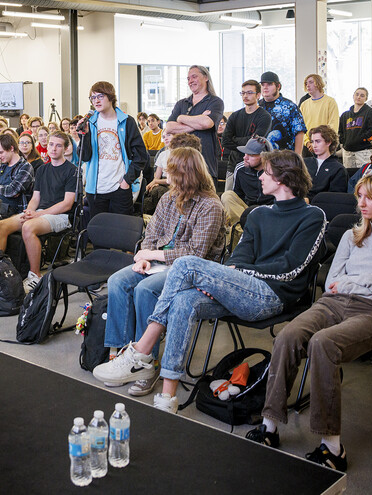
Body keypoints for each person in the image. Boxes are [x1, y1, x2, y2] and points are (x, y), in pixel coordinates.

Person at [93, 150, 325, 414]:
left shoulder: (313, 216)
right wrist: (226, 278)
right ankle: (167, 397)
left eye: (266, 172)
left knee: (185, 263)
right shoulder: (258, 214)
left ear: (284, 178)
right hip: (239, 288)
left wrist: (232, 276)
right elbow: (238, 258)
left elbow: (289, 269)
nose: (260, 176)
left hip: (271, 297)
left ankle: (141, 352)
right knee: (183, 300)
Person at [248, 172, 372, 472]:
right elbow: (331, 284)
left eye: (368, 197)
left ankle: (332, 447)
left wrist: (356, 283)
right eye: (359, 196)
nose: (361, 204)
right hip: (333, 303)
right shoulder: (351, 236)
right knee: (288, 336)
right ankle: (269, 425)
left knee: (323, 343)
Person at [100, 147, 225, 397]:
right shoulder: (168, 198)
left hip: (190, 270)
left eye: (171, 170)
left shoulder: (210, 205)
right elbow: (153, 233)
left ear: (185, 173)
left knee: (145, 290)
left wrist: (152, 255)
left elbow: (195, 254)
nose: (165, 174)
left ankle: (147, 362)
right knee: (117, 281)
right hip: (158, 261)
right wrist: (144, 256)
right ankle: (122, 354)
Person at [0, 131, 79, 290]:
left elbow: (67, 204)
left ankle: (35, 275)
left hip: (62, 217)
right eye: (51, 144)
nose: (53, 148)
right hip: (39, 212)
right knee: (1, 226)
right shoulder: (42, 170)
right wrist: (29, 211)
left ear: (66, 148)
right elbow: (35, 198)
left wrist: (38, 214)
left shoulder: (72, 171)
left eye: (58, 145)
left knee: (28, 226)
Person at [78, 81, 148, 218]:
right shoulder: (90, 122)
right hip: (96, 189)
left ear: (110, 97)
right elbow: (85, 157)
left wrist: (126, 181)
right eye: (93, 97)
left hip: (120, 187)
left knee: (121, 231)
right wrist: (84, 135)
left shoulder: (127, 121)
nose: (96, 101)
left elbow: (141, 156)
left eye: (100, 96)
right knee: (99, 233)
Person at [165, 65, 224, 177]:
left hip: (205, 166)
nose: (190, 81)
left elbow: (207, 123)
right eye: (188, 79)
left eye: (194, 77)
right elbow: (169, 127)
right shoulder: (182, 103)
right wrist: (199, 121)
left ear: (206, 77)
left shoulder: (215, 102)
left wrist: (181, 118)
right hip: (180, 166)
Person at [221, 80, 272, 186]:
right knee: (228, 197)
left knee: (251, 199)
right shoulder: (235, 116)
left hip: (255, 165)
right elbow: (225, 141)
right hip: (233, 164)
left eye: (249, 93)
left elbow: (255, 144)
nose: (245, 96)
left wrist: (234, 139)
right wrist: (247, 140)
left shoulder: (264, 116)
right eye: (243, 93)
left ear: (258, 95)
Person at [221, 136, 274, 228]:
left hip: (270, 212)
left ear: (263, 157)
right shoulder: (240, 169)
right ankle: (243, 231)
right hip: (247, 211)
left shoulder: (276, 171)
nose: (245, 157)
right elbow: (238, 196)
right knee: (227, 196)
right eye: (245, 153)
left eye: (251, 155)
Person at [258, 72, 306, 155]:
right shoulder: (257, 106)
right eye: (262, 84)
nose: (265, 87)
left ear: (278, 86)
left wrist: (298, 157)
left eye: (269, 84)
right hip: (260, 158)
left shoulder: (290, 106)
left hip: (284, 158)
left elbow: (299, 131)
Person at [0, 132, 35, 220]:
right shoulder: (1, 167)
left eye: (1, 152)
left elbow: (12, 191)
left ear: (11, 148)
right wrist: (1, 189)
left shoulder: (25, 167)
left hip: (14, 211)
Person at [339, 88, 372, 171]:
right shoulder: (345, 115)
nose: (359, 97)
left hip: (363, 152)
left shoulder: (370, 112)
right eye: (357, 94)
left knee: (364, 177)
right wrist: (345, 142)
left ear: (366, 98)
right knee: (349, 178)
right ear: (353, 96)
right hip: (348, 152)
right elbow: (340, 132)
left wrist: (360, 139)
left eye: (362, 95)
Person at [304, 125, 348, 200]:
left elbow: (334, 198)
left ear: (328, 142)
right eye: (312, 142)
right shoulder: (305, 163)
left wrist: (309, 200)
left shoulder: (338, 169)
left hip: (321, 207)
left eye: (318, 141)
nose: (314, 145)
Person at [299, 74, 340, 141]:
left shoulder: (330, 102)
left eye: (311, 82)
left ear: (318, 83)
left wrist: (322, 140)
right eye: (306, 83)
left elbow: (333, 125)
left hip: (325, 143)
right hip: (308, 145)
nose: (308, 85)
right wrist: (307, 142)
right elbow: (300, 127)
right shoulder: (304, 104)